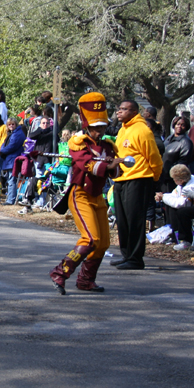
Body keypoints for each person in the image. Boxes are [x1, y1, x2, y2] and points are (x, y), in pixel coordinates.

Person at [50, 92, 124, 294]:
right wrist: (108, 165)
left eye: (103, 127)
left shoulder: (108, 146)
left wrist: (116, 165)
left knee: (103, 243)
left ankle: (86, 280)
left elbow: (115, 173)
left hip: (97, 195)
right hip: (80, 194)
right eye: (96, 127)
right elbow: (86, 165)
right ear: (88, 127)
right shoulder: (78, 143)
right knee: (90, 239)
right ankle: (60, 272)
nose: (100, 131)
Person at [110, 100, 163, 270]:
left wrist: (154, 179)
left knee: (134, 220)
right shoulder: (123, 129)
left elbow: (154, 157)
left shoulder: (142, 130)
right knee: (122, 220)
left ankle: (135, 258)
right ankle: (126, 255)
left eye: (124, 109)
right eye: (119, 109)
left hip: (138, 179)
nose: (119, 112)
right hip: (121, 179)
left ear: (134, 112)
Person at [156, 164, 194, 250]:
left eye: (174, 179)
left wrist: (164, 197)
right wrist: (163, 196)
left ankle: (185, 240)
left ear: (181, 180)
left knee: (181, 211)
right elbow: (175, 194)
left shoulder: (192, 186)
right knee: (170, 204)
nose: (173, 181)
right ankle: (174, 235)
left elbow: (180, 203)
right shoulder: (185, 181)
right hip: (191, 205)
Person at [161, 116, 193, 192]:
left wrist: (171, 171)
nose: (179, 126)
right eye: (178, 124)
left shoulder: (186, 142)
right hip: (162, 175)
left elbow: (184, 160)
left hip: (173, 178)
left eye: (183, 125)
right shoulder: (169, 138)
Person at [0, 117, 25, 205]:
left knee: (11, 180)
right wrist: (2, 149)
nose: (11, 126)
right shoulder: (11, 133)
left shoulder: (17, 133)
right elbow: (4, 144)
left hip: (13, 158)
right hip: (9, 158)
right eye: (9, 124)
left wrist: (2, 150)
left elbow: (12, 146)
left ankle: (11, 200)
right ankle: (10, 198)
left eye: (13, 124)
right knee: (10, 180)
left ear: (16, 124)